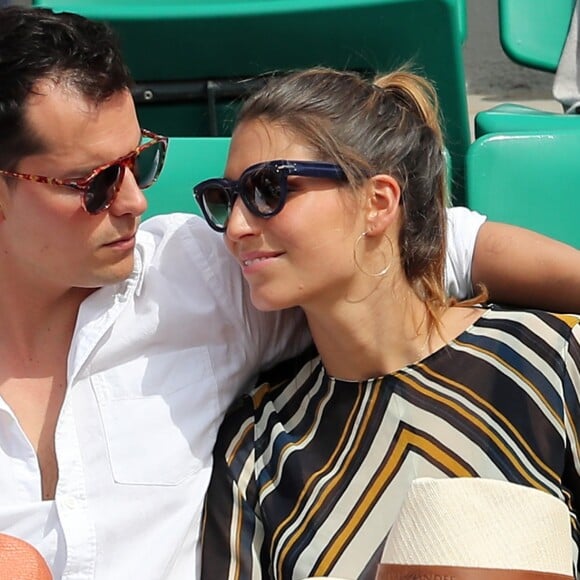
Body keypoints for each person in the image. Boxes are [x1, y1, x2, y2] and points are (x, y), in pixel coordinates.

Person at [1, 6, 580, 580]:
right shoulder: (257, 447)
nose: (134, 202)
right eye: (94, 183)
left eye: (139, 161)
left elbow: (421, 239)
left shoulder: (195, 275)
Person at [197, 67, 580, 579]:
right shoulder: (260, 441)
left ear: (377, 202)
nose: (238, 228)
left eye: (268, 190)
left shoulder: (549, 360)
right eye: (229, 198)